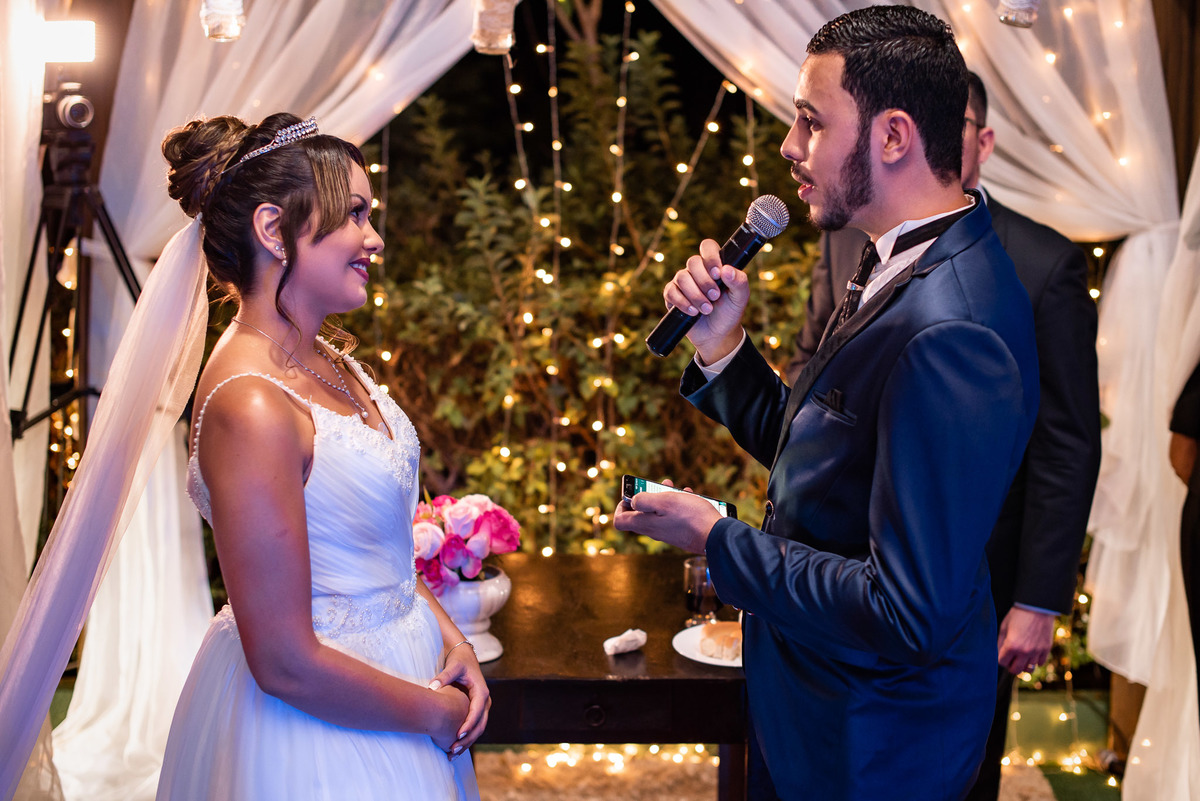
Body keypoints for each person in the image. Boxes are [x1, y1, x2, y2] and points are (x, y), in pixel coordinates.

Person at [614, 7, 1039, 799]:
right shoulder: (892, 259)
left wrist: (720, 541)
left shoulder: (956, 330)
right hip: (818, 709)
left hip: (874, 747)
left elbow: (905, 611)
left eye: (811, 122)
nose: (789, 147)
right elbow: (831, 455)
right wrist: (724, 348)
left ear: (892, 137)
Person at [786, 72, 1102, 801]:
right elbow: (813, 365)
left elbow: (1067, 441)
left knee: (953, 770)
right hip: (840, 579)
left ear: (981, 141)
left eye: (950, 121)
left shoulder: (1042, 262)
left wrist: (1039, 598)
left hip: (969, 584)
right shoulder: (847, 241)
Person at [152, 113, 486, 799]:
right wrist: (433, 711)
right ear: (274, 231)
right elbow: (281, 661)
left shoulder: (323, 352)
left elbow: (376, 545)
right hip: (320, 730)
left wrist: (452, 639)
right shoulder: (251, 405)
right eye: (355, 214)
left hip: (405, 671)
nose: (375, 239)